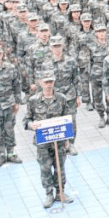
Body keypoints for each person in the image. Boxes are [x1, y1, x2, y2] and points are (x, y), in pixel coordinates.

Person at [24, 72, 74, 208]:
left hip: (59, 142)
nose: (48, 84)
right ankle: (49, 194)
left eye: (51, 81)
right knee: (45, 169)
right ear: (40, 83)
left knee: (60, 168)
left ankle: (60, 192)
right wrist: (30, 125)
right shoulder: (33, 101)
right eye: (46, 82)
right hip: (43, 143)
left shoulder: (61, 99)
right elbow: (26, 120)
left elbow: (68, 119)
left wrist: (68, 139)